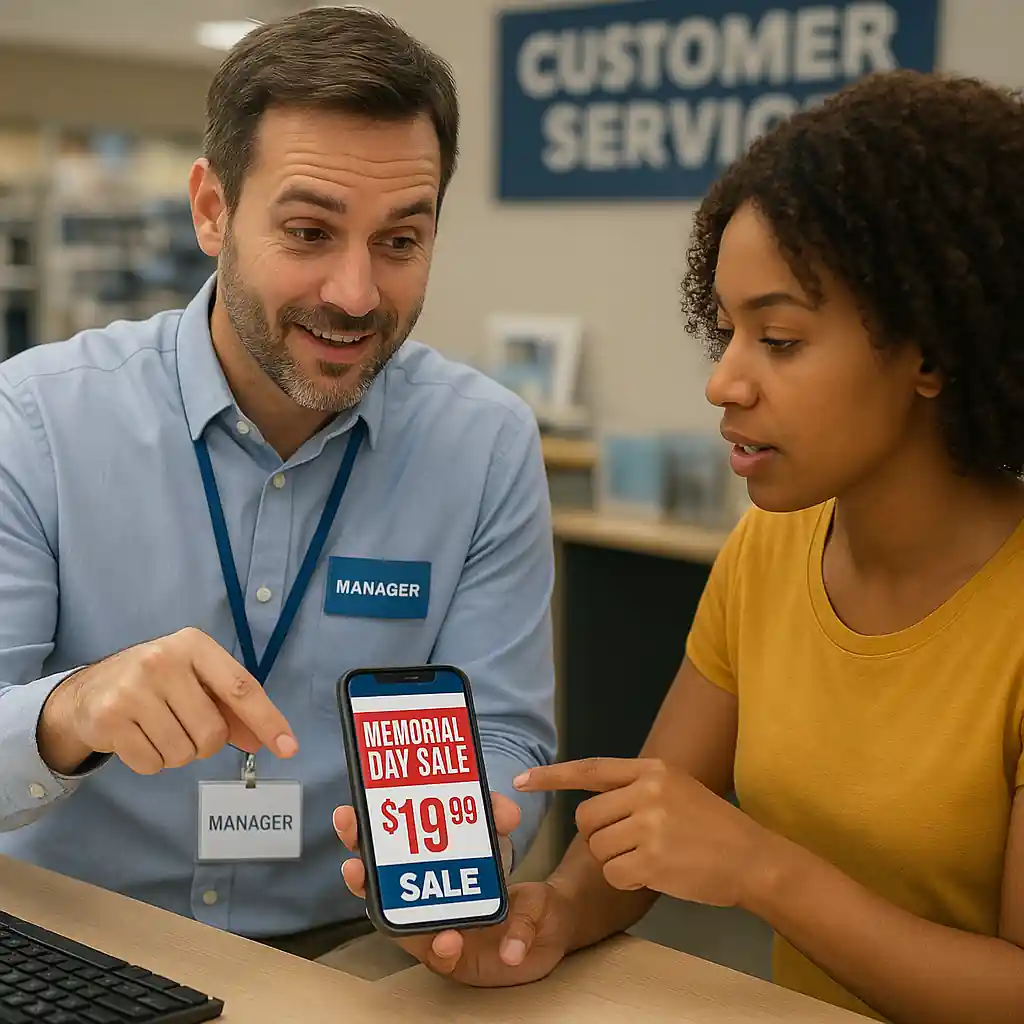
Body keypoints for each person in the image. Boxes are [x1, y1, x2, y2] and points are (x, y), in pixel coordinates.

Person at [336, 69, 1024, 1021]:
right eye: (727, 332)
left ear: (934, 353)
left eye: (779, 340)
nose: (723, 382)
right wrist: (547, 917)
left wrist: (763, 871)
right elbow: (648, 828)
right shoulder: (770, 547)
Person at [0, 6, 556, 962]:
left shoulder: (486, 446)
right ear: (211, 210)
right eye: (308, 231)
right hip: (77, 945)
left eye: (399, 241)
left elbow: (503, 735)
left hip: (353, 951)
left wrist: (472, 841)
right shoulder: (37, 420)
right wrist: (70, 710)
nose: (355, 294)